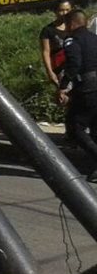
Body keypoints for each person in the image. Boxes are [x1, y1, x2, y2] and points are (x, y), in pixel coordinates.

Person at [58, 9, 97, 181]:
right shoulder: (94, 38)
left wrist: (64, 86)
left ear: (72, 24)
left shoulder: (72, 40)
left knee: (75, 127)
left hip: (87, 87)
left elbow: (74, 64)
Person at [40, 0, 74, 89]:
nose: (64, 13)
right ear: (56, 11)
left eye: (67, 10)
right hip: (60, 68)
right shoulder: (48, 30)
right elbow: (46, 52)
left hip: (76, 66)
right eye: (61, 10)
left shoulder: (75, 27)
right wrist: (50, 71)